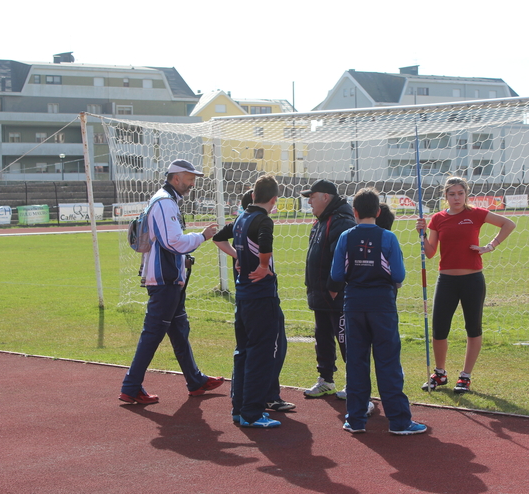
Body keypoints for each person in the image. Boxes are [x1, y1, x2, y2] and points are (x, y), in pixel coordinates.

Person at [119, 159, 224, 405]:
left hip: (168, 278)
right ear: (176, 177)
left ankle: (195, 380)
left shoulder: (165, 199)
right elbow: (173, 242)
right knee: (153, 333)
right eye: (189, 178)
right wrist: (202, 236)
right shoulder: (165, 202)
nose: (192, 183)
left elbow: (167, 243)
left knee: (179, 331)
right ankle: (131, 386)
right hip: (164, 280)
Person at [330, 188, 428, 435]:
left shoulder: (345, 237)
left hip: (353, 304)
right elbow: (398, 275)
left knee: (356, 362)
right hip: (382, 306)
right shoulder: (388, 237)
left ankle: (355, 420)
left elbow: (336, 275)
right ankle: (399, 421)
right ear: (377, 211)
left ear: (354, 212)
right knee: (388, 362)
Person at [416, 176, 516, 394]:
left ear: (466, 194)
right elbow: (431, 253)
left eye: (460, 193)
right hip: (447, 280)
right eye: (452, 194)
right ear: (446, 196)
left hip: (472, 280)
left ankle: (465, 376)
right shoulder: (438, 219)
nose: (456, 198)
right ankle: (440, 374)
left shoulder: (476, 214)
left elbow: (509, 224)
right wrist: (421, 235)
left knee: (473, 328)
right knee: (439, 330)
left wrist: (490, 246)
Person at [213, 175, 287, 428]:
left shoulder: (241, 219)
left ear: (253, 195)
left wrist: (238, 256)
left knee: (243, 352)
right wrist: (264, 265)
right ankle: (252, 413)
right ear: (274, 200)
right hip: (260, 295)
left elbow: (217, 238)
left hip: (242, 296)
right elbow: (266, 241)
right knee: (260, 354)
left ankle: (240, 408)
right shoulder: (263, 219)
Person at [300, 179, 356, 400]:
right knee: (322, 337)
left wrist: (334, 288)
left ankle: (355, 383)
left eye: (312, 197)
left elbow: (344, 259)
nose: (309, 202)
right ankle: (326, 381)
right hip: (320, 295)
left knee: (345, 340)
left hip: (336, 296)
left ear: (325, 197)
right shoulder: (322, 221)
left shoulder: (341, 222)